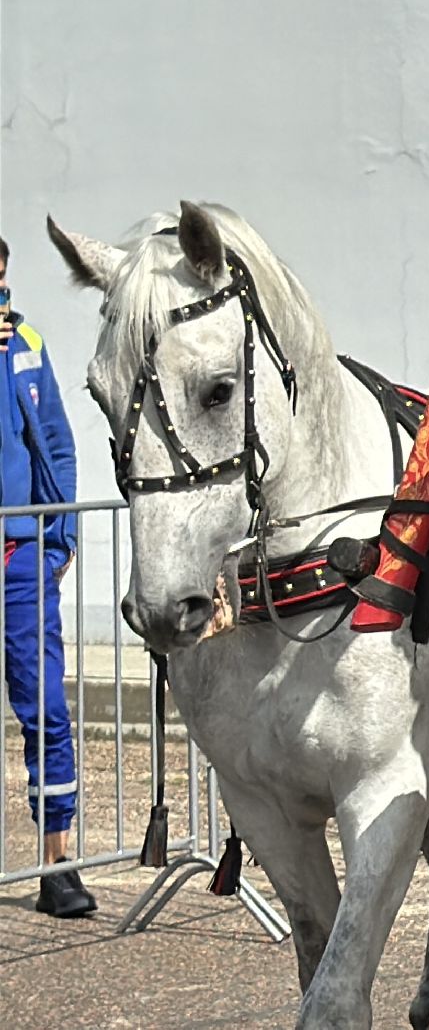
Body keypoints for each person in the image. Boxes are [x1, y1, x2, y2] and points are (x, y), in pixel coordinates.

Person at [0, 236, 91, 917]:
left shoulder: (24, 342)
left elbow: (57, 441)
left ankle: (58, 868)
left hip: (22, 553)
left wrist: (60, 540)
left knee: (47, 711)